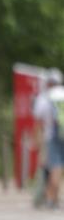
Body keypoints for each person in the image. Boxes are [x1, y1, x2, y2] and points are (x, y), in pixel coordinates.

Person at [33, 68, 64, 208]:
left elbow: (38, 124)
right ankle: (53, 198)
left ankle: (52, 199)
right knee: (58, 168)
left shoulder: (44, 98)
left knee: (55, 167)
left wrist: (37, 141)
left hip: (52, 136)